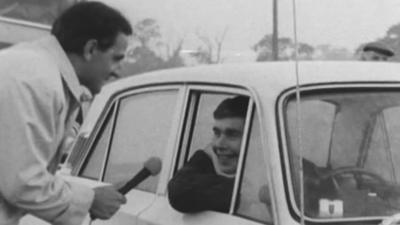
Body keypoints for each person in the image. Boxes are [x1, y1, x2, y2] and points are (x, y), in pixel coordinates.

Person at [0, 2, 132, 224]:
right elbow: (22, 183)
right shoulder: (37, 81)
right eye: (116, 58)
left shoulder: (35, 68)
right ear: (90, 49)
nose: (118, 72)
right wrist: (90, 200)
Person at [167, 96, 249, 213]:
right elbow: (180, 191)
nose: (219, 144)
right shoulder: (207, 162)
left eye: (232, 134)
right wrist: (205, 155)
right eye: (217, 133)